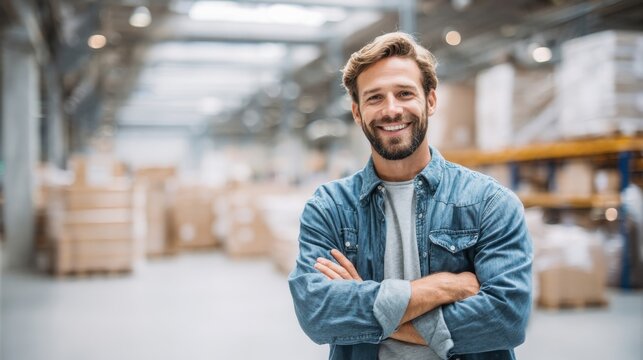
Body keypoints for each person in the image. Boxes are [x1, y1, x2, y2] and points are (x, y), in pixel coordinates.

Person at [288, 32, 532, 360]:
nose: (391, 110)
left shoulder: (488, 202)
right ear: (357, 112)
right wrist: (438, 288)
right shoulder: (329, 208)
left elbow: (506, 320)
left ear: (430, 100)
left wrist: (370, 305)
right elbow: (318, 315)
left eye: (404, 93)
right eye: (374, 98)